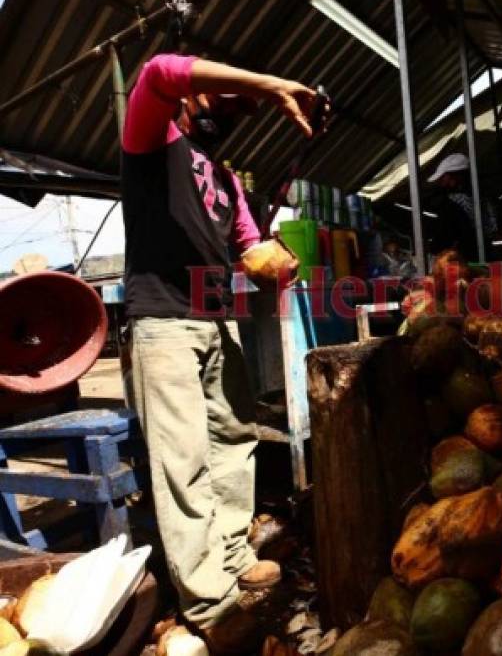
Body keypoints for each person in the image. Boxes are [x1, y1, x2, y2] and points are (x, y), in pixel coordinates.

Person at [121, 53, 322, 654]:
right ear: (193, 98)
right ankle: (208, 600)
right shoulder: (151, 137)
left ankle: (232, 556)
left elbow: (248, 247)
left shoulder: (226, 176)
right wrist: (273, 81)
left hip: (215, 321)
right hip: (162, 320)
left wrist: (276, 262)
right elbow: (159, 70)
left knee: (233, 442)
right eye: (222, 97)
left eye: (241, 107)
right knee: (182, 461)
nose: (230, 110)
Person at [427, 153, 497, 262]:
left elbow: (444, 236)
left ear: (452, 177)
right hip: (486, 256)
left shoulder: (452, 204)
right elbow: (492, 228)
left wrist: (432, 249)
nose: (440, 181)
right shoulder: (483, 197)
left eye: (442, 177)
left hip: (464, 261)